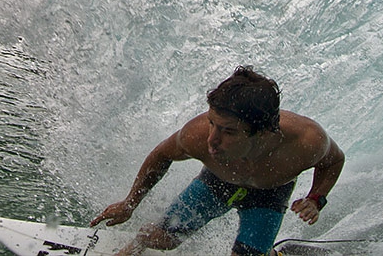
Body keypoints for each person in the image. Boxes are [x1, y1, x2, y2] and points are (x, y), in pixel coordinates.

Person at [90, 66, 345, 256]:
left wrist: (315, 198)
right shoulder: (197, 135)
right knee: (162, 239)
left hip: (269, 197)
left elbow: (334, 161)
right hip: (216, 184)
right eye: (212, 123)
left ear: (262, 131)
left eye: (228, 131)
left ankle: (275, 253)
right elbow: (162, 155)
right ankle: (136, 245)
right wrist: (130, 203)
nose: (212, 140)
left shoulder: (307, 141)